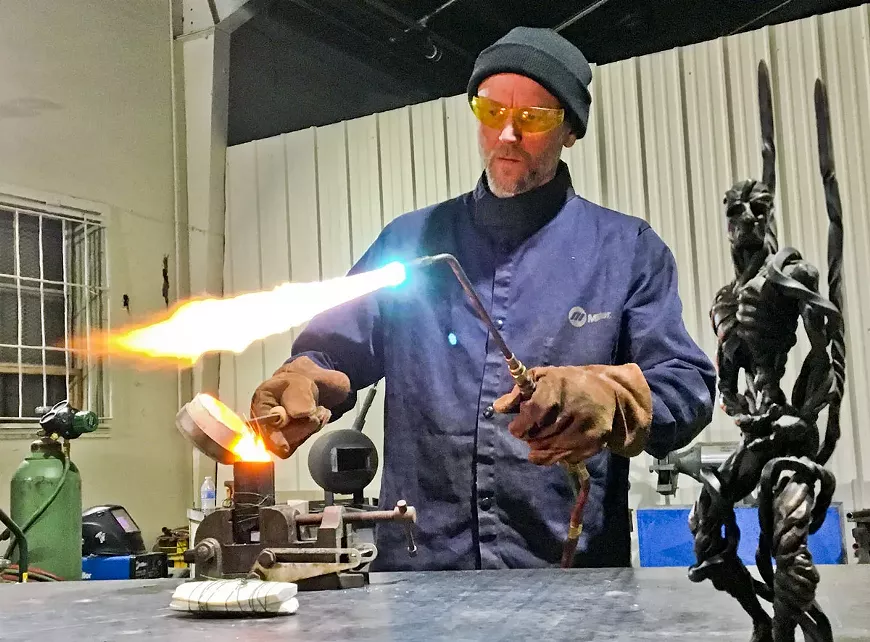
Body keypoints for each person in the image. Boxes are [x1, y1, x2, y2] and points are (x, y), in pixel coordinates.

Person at [251, 27, 716, 570]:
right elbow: (334, 355)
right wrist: (306, 379)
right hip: (420, 581)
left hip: (567, 582)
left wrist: (612, 400)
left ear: (570, 129)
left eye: (535, 117)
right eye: (492, 111)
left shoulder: (627, 250)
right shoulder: (409, 243)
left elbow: (686, 386)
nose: (508, 134)